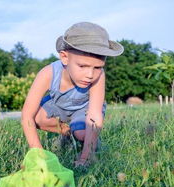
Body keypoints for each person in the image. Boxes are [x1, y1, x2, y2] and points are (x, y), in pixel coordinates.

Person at [21, 22, 124, 168]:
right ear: (64, 57)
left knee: (82, 133)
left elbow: (94, 116)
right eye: (82, 66)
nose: (90, 75)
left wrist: (85, 158)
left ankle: (88, 143)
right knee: (38, 118)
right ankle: (67, 133)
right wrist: (38, 154)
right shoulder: (48, 73)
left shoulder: (98, 77)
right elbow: (27, 116)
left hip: (83, 109)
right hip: (58, 105)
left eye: (97, 67)